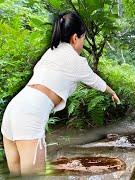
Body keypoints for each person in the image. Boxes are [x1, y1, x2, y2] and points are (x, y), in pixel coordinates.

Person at [1, 11, 120, 176]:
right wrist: (113, 93)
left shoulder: (50, 52)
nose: (82, 43)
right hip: (29, 117)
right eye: (83, 38)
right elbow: (96, 82)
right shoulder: (76, 61)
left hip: (12, 111)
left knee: (15, 176)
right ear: (75, 38)